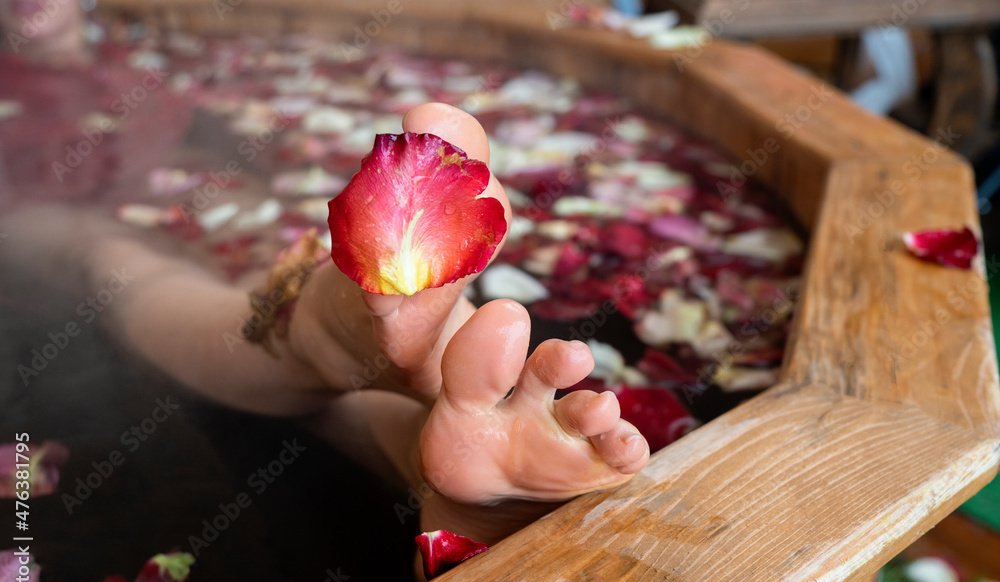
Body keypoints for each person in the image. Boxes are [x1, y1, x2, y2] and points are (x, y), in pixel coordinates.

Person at [0, 1, 650, 550]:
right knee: (106, 255)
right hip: (60, 222)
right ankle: (326, 330)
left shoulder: (165, 36)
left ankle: (443, 466)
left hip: (230, 215)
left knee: (270, 265)